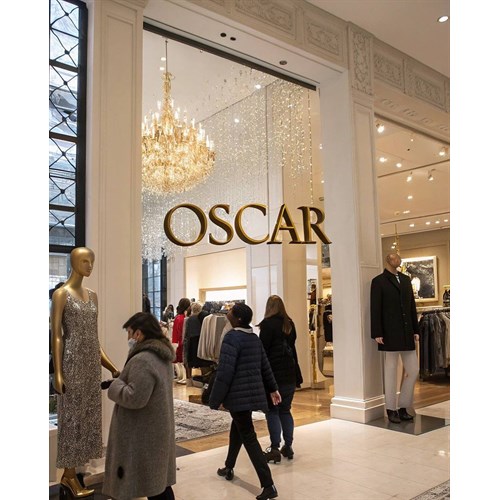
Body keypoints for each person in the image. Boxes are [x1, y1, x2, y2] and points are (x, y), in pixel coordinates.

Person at [50, 247, 120, 498]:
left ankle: (72, 474)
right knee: (71, 419)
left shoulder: (93, 296)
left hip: (90, 366)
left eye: (92, 261)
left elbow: (94, 338)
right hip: (71, 363)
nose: (90, 266)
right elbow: (57, 335)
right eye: (85, 261)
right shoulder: (61, 294)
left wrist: (111, 366)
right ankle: (68, 475)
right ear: (73, 263)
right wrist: (58, 372)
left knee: (87, 418)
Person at [209, 303, 281, 500]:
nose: (228, 312)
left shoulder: (232, 338)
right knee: (238, 429)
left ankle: (268, 484)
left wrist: (215, 399)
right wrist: (273, 388)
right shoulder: (253, 338)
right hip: (250, 395)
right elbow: (265, 365)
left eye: (231, 311)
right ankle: (229, 467)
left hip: (237, 396)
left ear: (238, 318)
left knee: (248, 437)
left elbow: (225, 372)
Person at [102, 312, 176, 500]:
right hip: (154, 429)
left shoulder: (143, 359)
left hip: (142, 434)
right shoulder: (161, 356)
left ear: (138, 333)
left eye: (129, 332)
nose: (128, 337)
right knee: (158, 485)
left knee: (151, 486)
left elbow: (135, 397)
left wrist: (116, 385)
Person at [370, 252, 419, 424]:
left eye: (399, 257)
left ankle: (404, 405)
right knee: (390, 372)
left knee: (413, 370)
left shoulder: (405, 280)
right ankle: (391, 409)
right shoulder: (378, 281)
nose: (398, 260)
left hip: (406, 332)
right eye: (395, 258)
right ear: (388, 260)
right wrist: (377, 332)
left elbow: (411, 306)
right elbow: (375, 308)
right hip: (389, 333)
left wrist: (416, 329)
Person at [257, 295, 302, 464]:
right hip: (290, 373)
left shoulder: (267, 325)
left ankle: (274, 447)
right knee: (285, 410)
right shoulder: (289, 324)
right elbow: (292, 348)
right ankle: (288, 446)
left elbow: (263, 351)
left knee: (272, 411)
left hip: (273, 375)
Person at [171, 297, 191, 383]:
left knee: (179, 359)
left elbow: (176, 331)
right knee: (182, 359)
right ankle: (183, 377)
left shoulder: (178, 317)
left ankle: (181, 377)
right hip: (181, 340)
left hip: (177, 340)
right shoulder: (183, 318)